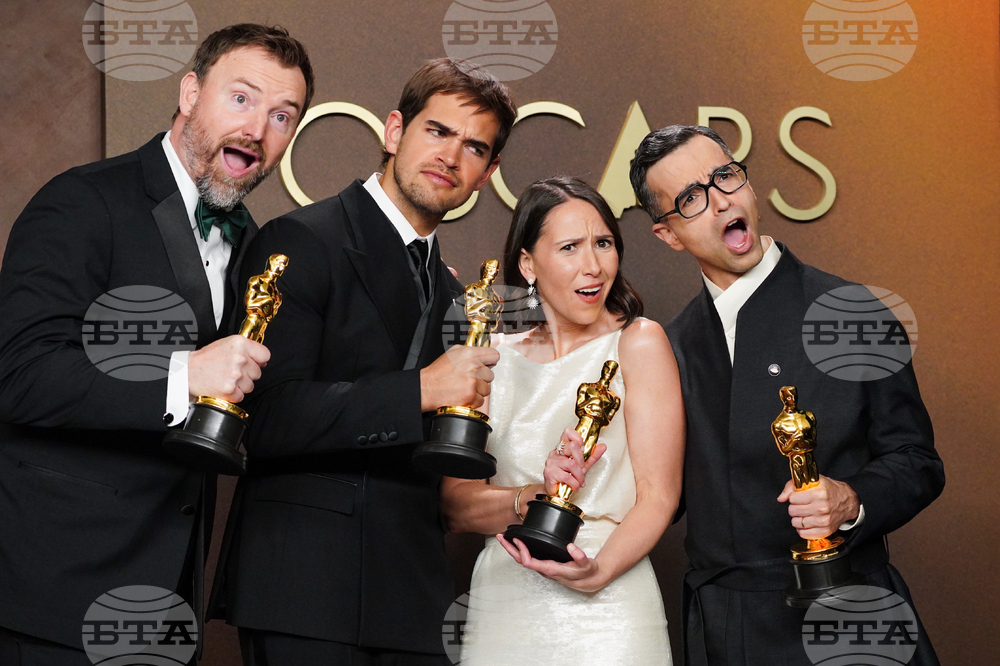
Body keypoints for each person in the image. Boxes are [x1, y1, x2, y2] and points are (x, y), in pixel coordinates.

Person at [0, 24, 313, 666]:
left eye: (282, 115)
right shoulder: (81, 201)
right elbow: (20, 374)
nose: (258, 128)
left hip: (169, 601)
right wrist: (183, 376)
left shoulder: (256, 244)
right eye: (242, 99)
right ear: (191, 91)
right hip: (57, 595)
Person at [208, 58, 517, 666]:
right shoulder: (299, 240)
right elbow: (265, 418)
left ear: (488, 173)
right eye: (437, 131)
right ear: (395, 131)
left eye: (474, 147)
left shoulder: (456, 296)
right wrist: (419, 390)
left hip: (413, 596)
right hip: (304, 585)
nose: (451, 157)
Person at [629, 125, 944, 665]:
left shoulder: (850, 312)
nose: (720, 199)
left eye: (726, 177)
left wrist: (851, 499)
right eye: (690, 198)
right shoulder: (669, 346)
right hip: (730, 626)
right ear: (669, 235)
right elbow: (659, 491)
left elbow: (918, 461)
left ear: (748, 188)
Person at [442, 176, 684, 665]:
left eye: (604, 244)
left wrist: (599, 570)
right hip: (505, 602)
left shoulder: (639, 342)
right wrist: (532, 497)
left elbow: (660, 494)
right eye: (570, 247)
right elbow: (455, 506)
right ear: (528, 263)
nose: (593, 266)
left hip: (611, 602)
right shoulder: (491, 358)